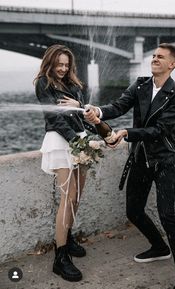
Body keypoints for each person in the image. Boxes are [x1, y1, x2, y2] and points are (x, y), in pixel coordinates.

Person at [84, 43, 175, 289]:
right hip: (139, 158)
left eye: (161, 57)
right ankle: (159, 246)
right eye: (154, 55)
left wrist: (126, 132)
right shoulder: (141, 84)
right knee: (133, 211)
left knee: (168, 216)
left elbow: (161, 130)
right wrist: (98, 112)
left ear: (172, 64)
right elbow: (118, 106)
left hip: (164, 160)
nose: (155, 58)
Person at [35, 44, 97, 282]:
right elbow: (53, 117)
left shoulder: (75, 85)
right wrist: (75, 143)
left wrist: (89, 137)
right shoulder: (43, 83)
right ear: (50, 63)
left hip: (80, 140)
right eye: (58, 64)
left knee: (78, 194)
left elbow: (83, 112)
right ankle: (60, 259)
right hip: (61, 142)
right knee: (68, 196)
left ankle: (67, 237)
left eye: (66, 65)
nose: (62, 68)